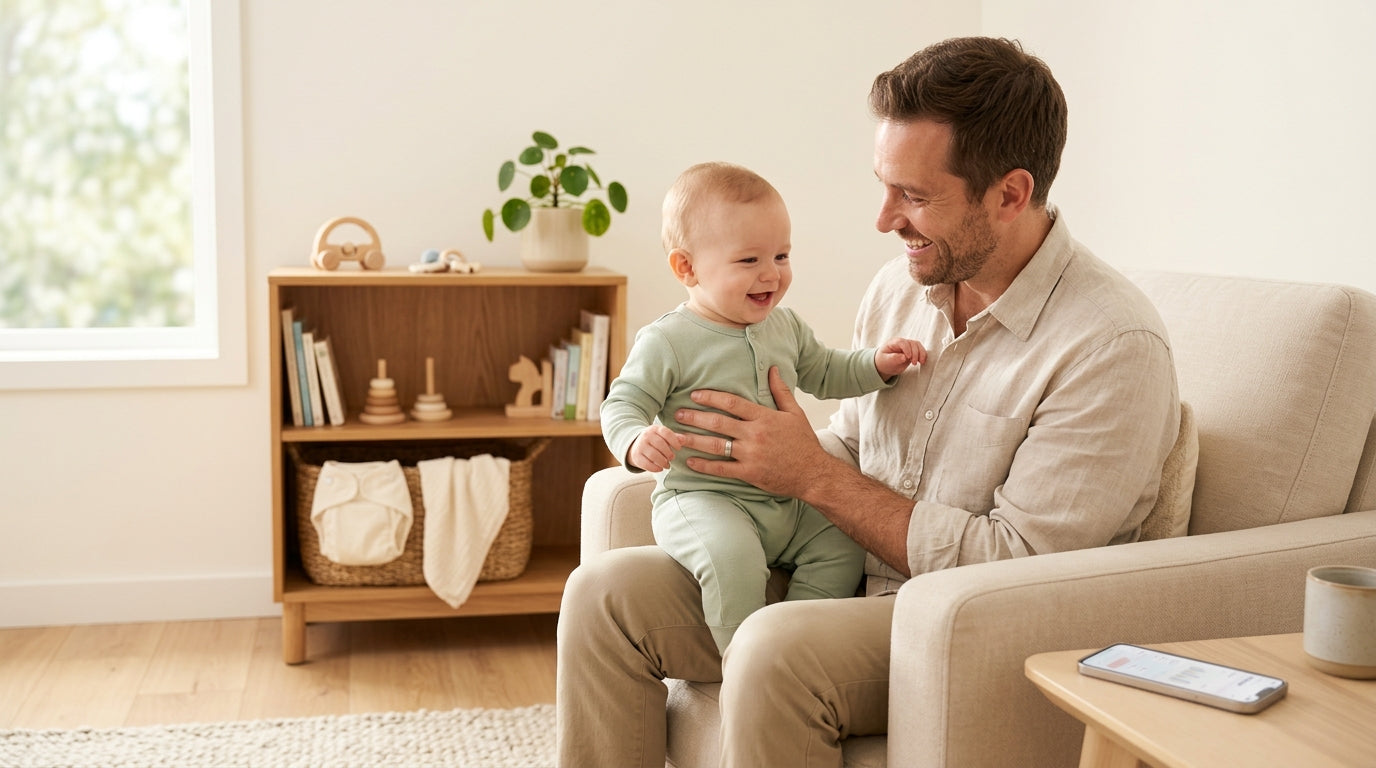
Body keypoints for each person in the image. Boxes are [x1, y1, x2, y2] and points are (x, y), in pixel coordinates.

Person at [557, 36, 1181, 768]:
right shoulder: (902, 287)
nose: (885, 220)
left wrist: (811, 475)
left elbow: (1018, 567)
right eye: (884, 187)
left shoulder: (1110, 346)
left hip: (963, 623)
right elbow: (853, 443)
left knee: (771, 648)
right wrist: (749, 474)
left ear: (1010, 195)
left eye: (914, 196)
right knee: (602, 595)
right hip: (847, 578)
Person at [601, 161, 927, 654]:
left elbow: (826, 371)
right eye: (749, 260)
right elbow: (622, 403)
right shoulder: (668, 340)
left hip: (785, 503)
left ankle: (789, 641)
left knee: (842, 544)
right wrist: (633, 441)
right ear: (686, 268)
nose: (771, 274)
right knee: (732, 558)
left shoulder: (786, 327)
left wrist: (877, 365)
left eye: (781, 255)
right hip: (706, 499)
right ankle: (744, 661)